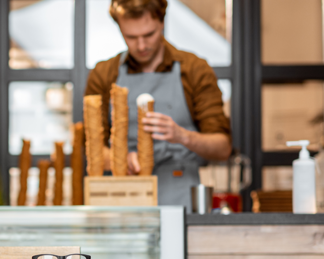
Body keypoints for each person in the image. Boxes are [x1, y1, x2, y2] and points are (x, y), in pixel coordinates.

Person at [85, 0, 232, 210]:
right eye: (131, 37)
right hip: (123, 198)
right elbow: (92, 147)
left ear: (162, 22)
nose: (142, 45)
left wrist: (181, 135)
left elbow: (222, 148)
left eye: (149, 34)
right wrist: (120, 160)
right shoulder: (104, 75)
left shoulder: (194, 71)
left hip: (180, 196)